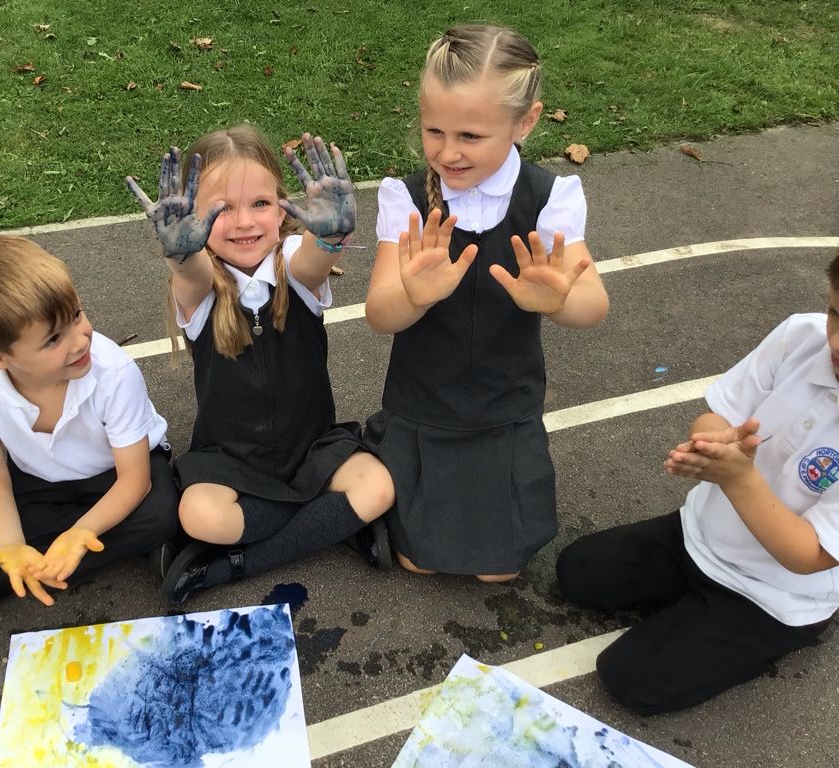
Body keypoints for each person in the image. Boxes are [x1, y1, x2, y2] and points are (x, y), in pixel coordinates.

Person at [363, 24, 608, 581]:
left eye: (471, 136)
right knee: (415, 563)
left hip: (504, 408)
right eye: (433, 131)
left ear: (526, 121)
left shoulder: (551, 199)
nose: (447, 152)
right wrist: (413, 296)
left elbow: (593, 306)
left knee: (499, 570)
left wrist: (556, 300)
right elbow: (380, 314)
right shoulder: (404, 196)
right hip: (423, 403)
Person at [557, 252, 839, 714]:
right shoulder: (801, 335)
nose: (837, 340)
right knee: (577, 572)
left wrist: (736, 477)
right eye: (836, 312)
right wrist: (712, 443)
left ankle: (772, 636)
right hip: (700, 533)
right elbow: (717, 413)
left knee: (630, 680)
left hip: (777, 595)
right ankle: (692, 608)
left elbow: (808, 555)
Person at [126, 125, 394, 604]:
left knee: (378, 486)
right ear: (192, 214)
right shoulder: (202, 283)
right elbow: (192, 274)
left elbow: (311, 261)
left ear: (283, 206)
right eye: (221, 209)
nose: (244, 222)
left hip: (310, 449)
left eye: (260, 204)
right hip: (232, 460)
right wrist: (183, 255)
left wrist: (329, 236)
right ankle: (330, 525)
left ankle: (234, 564)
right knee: (198, 515)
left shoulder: (291, 262)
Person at [0, 235, 179, 634]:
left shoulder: (111, 371)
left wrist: (83, 532)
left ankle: (1, 579)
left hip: (116, 472)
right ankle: (68, 555)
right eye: (52, 340)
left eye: (77, 315)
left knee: (162, 513)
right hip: (37, 479)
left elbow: (135, 479)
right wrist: (9, 543)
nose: (81, 340)